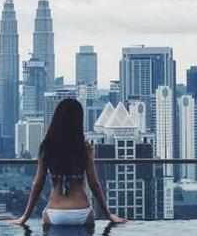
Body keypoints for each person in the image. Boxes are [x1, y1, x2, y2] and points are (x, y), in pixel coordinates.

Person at [10, 97, 126, 227]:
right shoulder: (85, 148)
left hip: (55, 212)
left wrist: (25, 216)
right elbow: (94, 184)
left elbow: (38, 184)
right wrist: (108, 215)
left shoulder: (47, 147)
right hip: (82, 211)